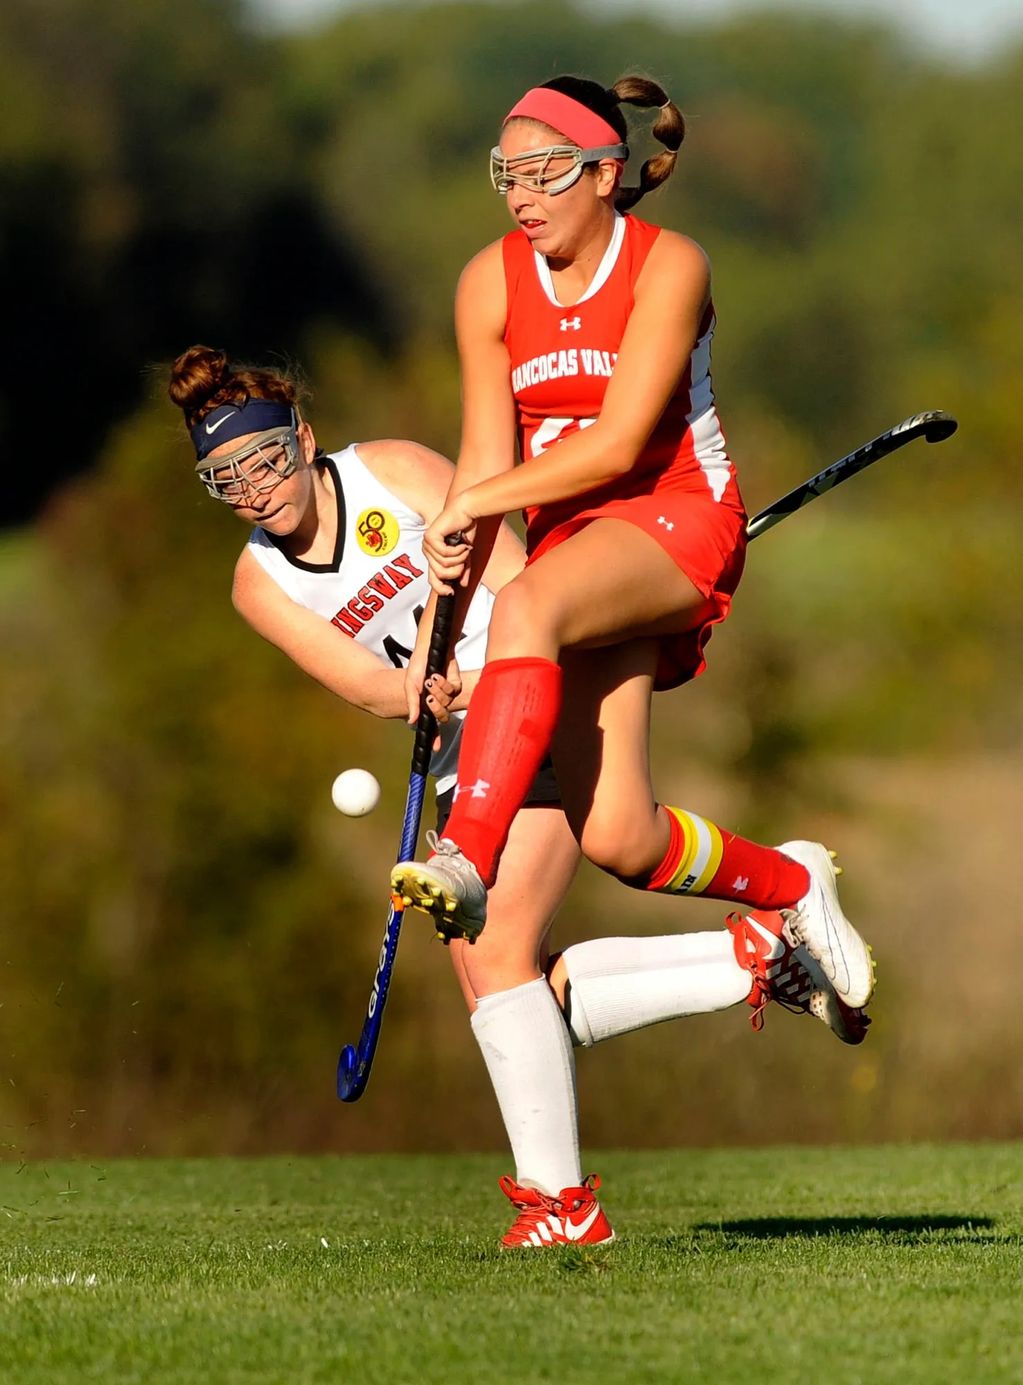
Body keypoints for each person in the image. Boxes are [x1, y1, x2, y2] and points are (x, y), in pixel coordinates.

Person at [168, 343, 867, 1252]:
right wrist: (421, 688)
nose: (255, 490)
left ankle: (561, 1205)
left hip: (535, 699)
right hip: (459, 753)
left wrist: (473, 676)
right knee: (508, 986)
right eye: (225, 480)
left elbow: (520, 580)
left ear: (300, 437)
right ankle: (755, 954)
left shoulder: (390, 470)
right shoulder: (256, 582)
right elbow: (373, 688)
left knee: (497, 953)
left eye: (263, 460)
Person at [391, 75, 876, 1086]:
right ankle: (793, 883)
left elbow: (616, 445)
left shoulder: (670, 264)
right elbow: (482, 465)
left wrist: (477, 508)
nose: (521, 195)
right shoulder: (489, 282)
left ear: (605, 173)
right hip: (575, 550)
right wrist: (440, 639)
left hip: (679, 513)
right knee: (620, 835)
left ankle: (467, 857)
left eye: (544, 172)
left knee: (528, 604)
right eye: (505, 175)